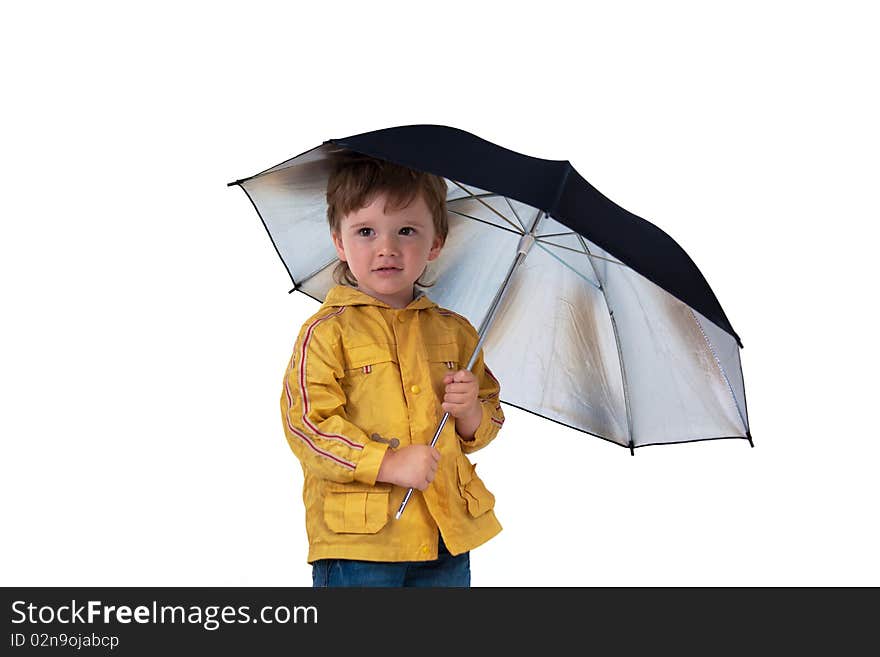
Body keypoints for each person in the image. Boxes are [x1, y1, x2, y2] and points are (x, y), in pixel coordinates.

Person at [280, 149, 506, 587]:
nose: (387, 248)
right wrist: (389, 463)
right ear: (340, 242)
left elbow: (490, 415)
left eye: (406, 230)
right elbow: (307, 426)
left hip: (446, 535)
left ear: (436, 242)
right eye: (366, 231)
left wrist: (470, 414)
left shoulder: (457, 334)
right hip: (361, 545)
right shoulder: (327, 333)